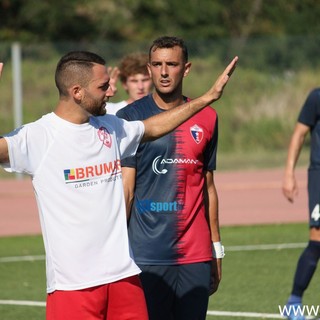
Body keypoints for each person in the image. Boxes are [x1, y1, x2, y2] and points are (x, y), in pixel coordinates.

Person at [0, 51, 238, 320]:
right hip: (73, 287)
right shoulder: (39, 136)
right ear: (77, 91)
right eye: (103, 86)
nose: (111, 92)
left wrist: (206, 99)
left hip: (125, 279)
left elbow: (153, 127)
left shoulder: (110, 127)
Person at [117, 36, 225, 320]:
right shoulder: (130, 118)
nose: (164, 72)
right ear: (149, 68)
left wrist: (216, 248)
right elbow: (126, 190)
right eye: (157, 64)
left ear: (186, 69)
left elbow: (209, 188)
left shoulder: (209, 117)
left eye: (172, 64)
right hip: (146, 256)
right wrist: (115, 250)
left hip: (196, 256)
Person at [282, 88, 320, 320]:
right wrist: (289, 173)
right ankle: (294, 302)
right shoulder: (317, 97)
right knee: (318, 240)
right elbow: (299, 134)